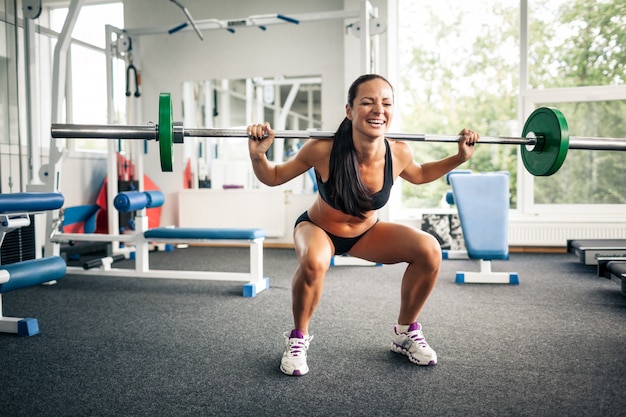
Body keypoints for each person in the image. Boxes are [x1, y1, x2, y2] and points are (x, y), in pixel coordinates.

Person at [247, 74, 479, 376]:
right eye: (367, 102)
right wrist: (257, 156)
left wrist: (460, 157)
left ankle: (404, 332)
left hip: (365, 234)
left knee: (429, 250)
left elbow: (420, 174)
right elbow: (274, 177)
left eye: (386, 103)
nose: (378, 110)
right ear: (349, 110)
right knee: (315, 262)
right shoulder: (322, 149)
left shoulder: (399, 152)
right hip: (318, 229)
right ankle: (298, 338)